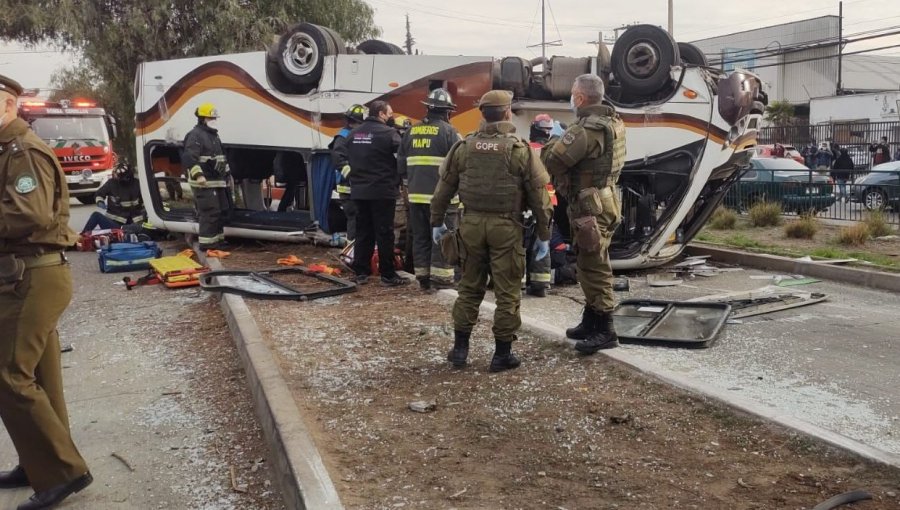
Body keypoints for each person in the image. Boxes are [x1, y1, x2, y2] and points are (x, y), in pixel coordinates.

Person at [0, 74, 93, 510]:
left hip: (31, 277)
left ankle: (63, 473)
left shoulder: (23, 152)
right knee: (40, 376)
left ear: (7, 106)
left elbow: (29, 216)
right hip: (29, 275)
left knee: (9, 375)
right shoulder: (9, 151)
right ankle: (38, 462)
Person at [431, 90, 552, 372]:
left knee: (469, 289)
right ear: (508, 112)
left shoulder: (463, 147)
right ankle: (502, 355)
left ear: (482, 114)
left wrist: (437, 222)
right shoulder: (519, 150)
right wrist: (544, 235)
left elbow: (441, 192)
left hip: (470, 226)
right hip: (506, 228)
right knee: (507, 292)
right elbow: (540, 199)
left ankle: (460, 350)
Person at [541, 74, 626, 355]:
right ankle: (591, 319)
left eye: (572, 95)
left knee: (595, 265)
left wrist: (555, 138)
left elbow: (551, 160)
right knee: (590, 262)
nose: (571, 99)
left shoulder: (584, 131)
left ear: (579, 98)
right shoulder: (614, 122)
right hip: (607, 200)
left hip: (590, 207)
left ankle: (605, 328)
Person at [398, 88, 461, 292]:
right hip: (442, 200)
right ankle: (441, 280)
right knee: (443, 237)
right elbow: (460, 165)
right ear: (447, 111)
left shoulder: (411, 131)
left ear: (428, 109)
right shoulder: (450, 133)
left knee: (421, 236)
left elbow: (401, 166)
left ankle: (423, 278)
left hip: (416, 197)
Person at [346, 100, 408, 286]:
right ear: (381, 114)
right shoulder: (390, 134)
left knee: (363, 231)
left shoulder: (354, 134)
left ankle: (361, 272)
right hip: (383, 191)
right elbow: (402, 158)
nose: (391, 116)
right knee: (384, 233)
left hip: (359, 191)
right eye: (389, 113)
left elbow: (346, 155)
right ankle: (388, 274)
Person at [182, 102, 231, 250]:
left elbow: (221, 158)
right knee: (210, 212)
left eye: (215, 118)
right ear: (203, 119)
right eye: (211, 118)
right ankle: (207, 244)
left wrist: (227, 176)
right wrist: (199, 176)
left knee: (221, 210)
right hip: (204, 183)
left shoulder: (214, 135)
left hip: (217, 181)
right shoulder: (195, 135)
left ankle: (218, 240)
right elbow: (190, 158)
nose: (214, 120)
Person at [524, 114, 558, 297]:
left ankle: (519, 281)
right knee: (543, 240)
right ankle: (541, 284)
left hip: (526, 203)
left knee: (521, 242)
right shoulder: (552, 152)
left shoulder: (525, 149)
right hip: (548, 203)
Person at [330, 104, 366, 240]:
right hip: (348, 188)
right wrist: (353, 176)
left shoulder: (355, 135)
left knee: (359, 221)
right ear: (356, 122)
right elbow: (339, 161)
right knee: (354, 220)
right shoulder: (342, 137)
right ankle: (351, 252)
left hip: (357, 188)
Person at [81, 161, 145, 233]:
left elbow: (147, 204)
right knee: (96, 216)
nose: (115, 176)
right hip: (115, 224)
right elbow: (99, 194)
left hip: (134, 225)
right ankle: (82, 236)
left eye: (117, 175)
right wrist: (100, 201)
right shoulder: (111, 183)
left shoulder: (137, 184)